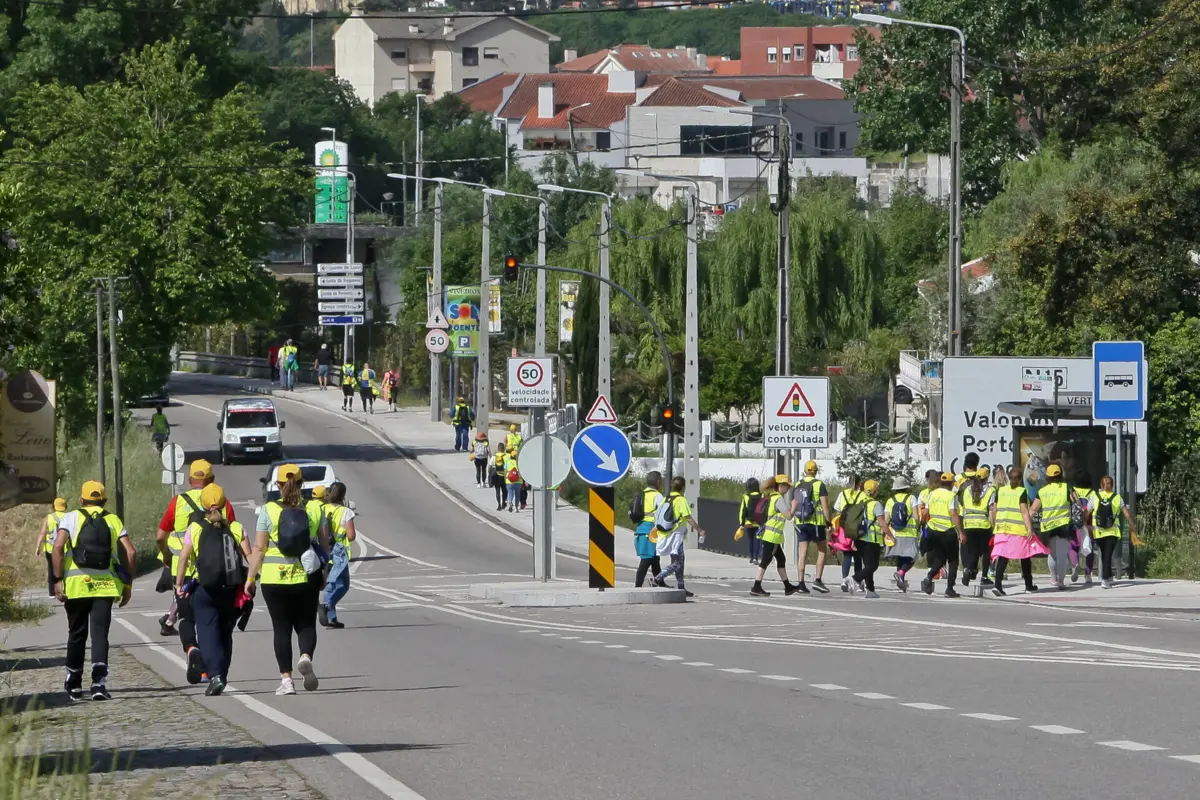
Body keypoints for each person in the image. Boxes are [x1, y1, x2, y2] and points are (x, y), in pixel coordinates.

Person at [245, 464, 331, 696]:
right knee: (305, 624)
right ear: (303, 484)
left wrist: (251, 577)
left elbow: (259, 548)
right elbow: (324, 545)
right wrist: (324, 574)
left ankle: (287, 681)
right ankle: (306, 656)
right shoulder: (314, 508)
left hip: (274, 579)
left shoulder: (269, 509)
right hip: (306, 575)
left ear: (279, 485)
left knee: (281, 629)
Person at [52, 480, 134, 701]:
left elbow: (58, 546)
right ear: (103, 500)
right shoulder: (112, 519)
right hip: (105, 586)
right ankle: (98, 684)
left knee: (77, 634)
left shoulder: (70, 518)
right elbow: (130, 552)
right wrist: (127, 584)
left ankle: (74, 683)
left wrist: (57, 580)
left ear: (81, 500)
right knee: (100, 634)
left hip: (76, 587)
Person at [156, 460, 236, 687]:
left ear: (190, 479)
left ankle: (191, 648)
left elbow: (160, 536)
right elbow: (233, 537)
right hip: (213, 573)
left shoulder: (178, 502)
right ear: (211, 480)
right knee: (211, 621)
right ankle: (209, 670)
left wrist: (166, 556)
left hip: (183, 570)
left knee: (186, 617)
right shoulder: (223, 504)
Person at [174, 483, 252, 697]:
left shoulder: (196, 528)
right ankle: (222, 674)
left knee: (208, 633)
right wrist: (251, 580)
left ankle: (216, 675)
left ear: (203, 504)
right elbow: (250, 557)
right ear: (225, 503)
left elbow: (183, 558)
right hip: (231, 588)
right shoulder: (236, 528)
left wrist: (179, 583)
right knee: (225, 633)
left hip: (205, 588)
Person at [991, 465, 1046, 596]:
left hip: (1002, 529)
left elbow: (994, 510)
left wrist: (994, 525)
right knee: (1025, 556)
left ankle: (997, 585)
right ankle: (1028, 585)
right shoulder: (1021, 491)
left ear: (1009, 478)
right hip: (1017, 530)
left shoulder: (1000, 491)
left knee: (1003, 557)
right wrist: (1030, 528)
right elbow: (1024, 512)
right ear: (1020, 479)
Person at [750, 476, 802, 597]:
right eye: (787, 486)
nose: (788, 488)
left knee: (781, 559)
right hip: (772, 536)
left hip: (771, 535)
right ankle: (756, 586)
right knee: (765, 561)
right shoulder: (778, 499)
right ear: (781, 486)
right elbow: (788, 516)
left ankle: (787, 586)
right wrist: (794, 504)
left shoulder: (771, 497)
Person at [652, 476, 704, 598]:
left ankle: (681, 588)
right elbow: (688, 518)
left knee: (679, 561)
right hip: (675, 535)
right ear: (683, 488)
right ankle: (657, 578)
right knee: (678, 563)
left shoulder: (665, 498)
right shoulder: (681, 500)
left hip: (665, 534)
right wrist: (699, 530)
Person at [319, 482, 357, 629]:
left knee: (338, 581)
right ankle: (327, 606)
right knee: (337, 583)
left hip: (323, 548)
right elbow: (351, 535)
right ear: (343, 495)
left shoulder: (322, 508)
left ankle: (331, 615)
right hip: (338, 551)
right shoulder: (345, 512)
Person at [1030, 463, 1072, 589]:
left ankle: (1053, 579)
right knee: (1062, 555)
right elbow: (1078, 504)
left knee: (1052, 554)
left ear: (1047, 477)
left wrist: (1026, 524)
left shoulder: (1042, 491)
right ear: (1061, 474)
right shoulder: (1066, 488)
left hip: (1048, 527)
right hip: (1063, 525)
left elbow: (1033, 509)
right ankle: (1061, 581)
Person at [921, 472, 963, 598]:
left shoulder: (932, 494)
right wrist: (960, 531)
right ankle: (950, 589)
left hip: (934, 530)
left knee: (939, 558)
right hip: (947, 532)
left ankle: (929, 576)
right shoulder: (951, 495)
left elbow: (925, 513)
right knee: (953, 560)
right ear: (951, 483)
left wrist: (924, 526)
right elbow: (953, 514)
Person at [793, 460, 832, 594]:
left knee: (802, 552)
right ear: (815, 471)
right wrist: (829, 523)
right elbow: (825, 507)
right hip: (816, 522)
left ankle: (801, 583)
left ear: (805, 471)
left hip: (800, 521)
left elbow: (795, 502)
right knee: (822, 550)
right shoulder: (819, 484)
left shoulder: (798, 484)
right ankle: (818, 580)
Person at [1093, 475, 1136, 589]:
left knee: (1104, 555)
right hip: (1112, 531)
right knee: (1107, 555)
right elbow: (1126, 513)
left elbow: (1088, 511)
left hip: (1098, 531)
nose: (1107, 485)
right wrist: (1132, 525)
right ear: (1112, 486)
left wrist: (1085, 525)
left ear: (1101, 486)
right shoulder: (1117, 497)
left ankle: (1107, 577)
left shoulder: (1095, 497)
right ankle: (1106, 579)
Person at [959, 467, 997, 588]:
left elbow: (964, 507)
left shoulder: (967, 490)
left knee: (973, 550)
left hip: (968, 524)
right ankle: (984, 577)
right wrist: (993, 525)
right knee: (986, 551)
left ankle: (969, 569)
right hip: (983, 524)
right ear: (987, 478)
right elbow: (991, 510)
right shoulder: (991, 490)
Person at [851, 480, 889, 599]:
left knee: (867, 564)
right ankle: (854, 579)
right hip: (871, 538)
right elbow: (882, 524)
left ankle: (870, 589)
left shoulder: (857, 501)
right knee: (873, 566)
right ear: (874, 491)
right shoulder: (875, 504)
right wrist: (891, 536)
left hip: (858, 537)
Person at [884, 477, 918, 592]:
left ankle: (901, 581)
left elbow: (886, 519)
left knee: (900, 558)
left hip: (895, 533)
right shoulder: (911, 498)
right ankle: (901, 573)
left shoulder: (890, 500)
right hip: (909, 533)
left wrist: (886, 533)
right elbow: (916, 516)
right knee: (912, 557)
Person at [834, 476, 866, 593]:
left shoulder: (843, 494)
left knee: (847, 554)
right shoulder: (862, 495)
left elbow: (838, 510)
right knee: (858, 555)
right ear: (859, 484)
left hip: (845, 527)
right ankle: (857, 581)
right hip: (857, 527)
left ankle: (844, 579)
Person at [634, 472, 665, 588]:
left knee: (655, 559)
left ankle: (660, 583)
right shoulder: (657, 496)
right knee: (646, 560)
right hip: (651, 531)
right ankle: (637, 586)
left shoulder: (641, 494)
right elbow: (663, 513)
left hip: (641, 529)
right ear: (658, 482)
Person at [35, 498, 69, 597]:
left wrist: (38, 547)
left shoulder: (49, 518)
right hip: (65, 549)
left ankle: (52, 592)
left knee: (51, 569)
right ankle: (64, 590)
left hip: (50, 549)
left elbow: (42, 533)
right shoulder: (68, 517)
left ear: (53, 506)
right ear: (65, 506)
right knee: (64, 569)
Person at [1070, 472, 1098, 585]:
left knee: (1072, 546)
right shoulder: (1093, 493)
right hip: (1088, 524)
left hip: (1075, 523)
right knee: (1089, 549)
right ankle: (1088, 575)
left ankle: (1075, 564)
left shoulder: (1073, 492)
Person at [738, 477, 763, 565]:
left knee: (750, 539)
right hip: (759, 522)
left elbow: (743, 510)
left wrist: (742, 523)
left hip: (749, 522)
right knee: (757, 539)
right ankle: (756, 558)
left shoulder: (746, 496)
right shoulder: (762, 495)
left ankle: (751, 558)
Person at [503, 447, 522, 512]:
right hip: (518, 481)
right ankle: (516, 507)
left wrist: (505, 479)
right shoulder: (519, 463)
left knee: (510, 493)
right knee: (517, 495)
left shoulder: (507, 462)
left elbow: (505, 472)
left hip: (509, 481)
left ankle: (510, 503)